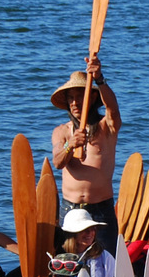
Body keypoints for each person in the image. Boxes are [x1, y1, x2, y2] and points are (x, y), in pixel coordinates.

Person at [50, 55, 123, 237]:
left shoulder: (107, 127)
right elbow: (58, 162)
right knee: (71, 262)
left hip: (101, 207)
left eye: (80, 97)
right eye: (71, 98)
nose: (75, 103)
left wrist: (99, 79)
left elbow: (113, 109)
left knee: (106, 260)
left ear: (91, 98)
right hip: (70, 207)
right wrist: (70, 145)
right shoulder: (62, 131)